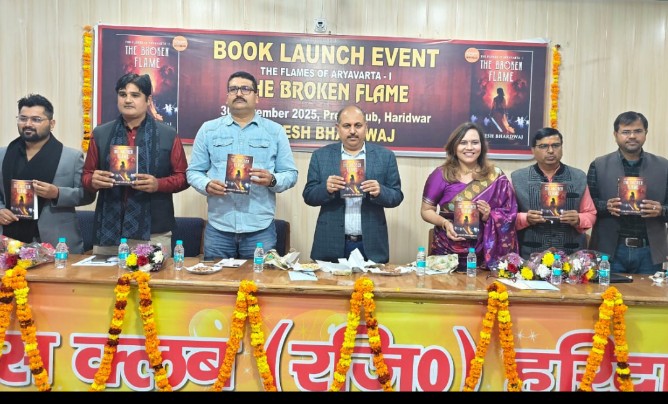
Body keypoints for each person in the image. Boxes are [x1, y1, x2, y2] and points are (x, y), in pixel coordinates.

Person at [187, 71, 298, 259]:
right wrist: (206, 184)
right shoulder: (208, 130)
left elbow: (291, 174)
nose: (239, 93)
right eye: (233, 89)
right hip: (219, 227)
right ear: (227, 97)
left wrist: (272, 180)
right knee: (217, 278)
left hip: (260, 229)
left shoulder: (275, 131)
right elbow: (193, 172)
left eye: (245, 89)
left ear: (257, 97)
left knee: (259, 278)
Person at [82, 73, 189, 257]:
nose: (128, 100)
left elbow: (183, 177)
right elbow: (85, 175)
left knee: (153, 277)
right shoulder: (101, 133)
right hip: (109, 231)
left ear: (148, 100)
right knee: (106, 277)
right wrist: (93, 180)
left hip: (154, 231)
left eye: (135, 95)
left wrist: (158, 184)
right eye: (123, 94)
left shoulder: (168, 134)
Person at [303, 105, 403, 263]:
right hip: (330, 242)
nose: (352, 131)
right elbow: (308, 195)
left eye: (358, 125)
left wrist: (380, 191)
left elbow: (396, 196)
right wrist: (326, 189)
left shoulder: (385, 156)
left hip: (371, 244)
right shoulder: (320, 156)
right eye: (346, 126)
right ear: (338, 128)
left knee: (371, 280)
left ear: (366, 127)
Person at [0, 94, 95, 253]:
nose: (28, 124)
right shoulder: (3, 155)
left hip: (57, 241)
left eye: (36, 119)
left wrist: (57, 193)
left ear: (52, 124)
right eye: (23, 118)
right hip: (10, 240)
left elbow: (87, 195)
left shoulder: (71, 157)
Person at [420, 121, 518, 271]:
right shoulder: (441, 174)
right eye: (463, 143)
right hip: (446, 253)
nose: (470, 147)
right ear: (454, 146)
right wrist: (445, 223)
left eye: (475, 142)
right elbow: (426, 210)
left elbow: (510, 214)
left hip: (484, 255)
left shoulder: (496, 176)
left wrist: (489, 215)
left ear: (482, 146)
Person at [587, 111, 668, 274]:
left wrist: (661, 210)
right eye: (626, 132)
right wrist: (606, 206)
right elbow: (587, 207)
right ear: (615, 135)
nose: (632, 136)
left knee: (648, 292)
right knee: (609, 291)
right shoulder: (599, 165)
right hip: (610, 250)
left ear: (646, 133)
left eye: (638, 131)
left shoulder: (664, 166)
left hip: (650, 251)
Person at [511, 127, 596, 259]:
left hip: (571, 255)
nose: (550, 151)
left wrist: (578, 219)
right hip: (530, 254)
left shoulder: (578, 177)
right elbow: (506, 216)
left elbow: (591, 214)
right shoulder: (518, 178)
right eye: (543, 146)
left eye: (555, 145)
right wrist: (525, 218)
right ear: (533, 150)